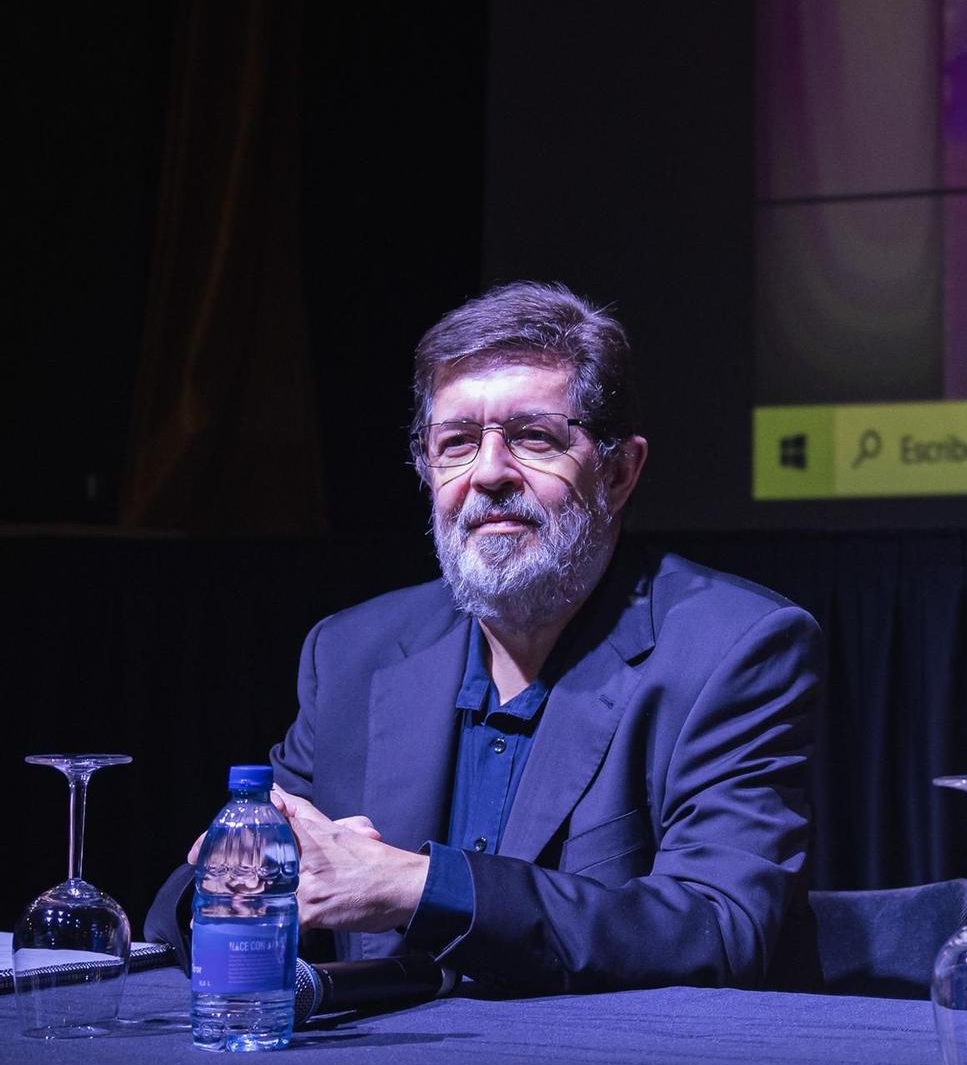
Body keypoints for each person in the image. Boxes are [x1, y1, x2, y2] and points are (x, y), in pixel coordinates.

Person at [151, 281, 821, 994]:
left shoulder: (734, 649)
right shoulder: (351, 654)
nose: (490, 472)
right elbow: (183, 911)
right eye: (457, 443)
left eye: (534, 436)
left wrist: (419, 885)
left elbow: (718, 928)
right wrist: (233, 878)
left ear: (620, 472)